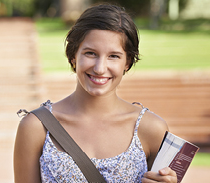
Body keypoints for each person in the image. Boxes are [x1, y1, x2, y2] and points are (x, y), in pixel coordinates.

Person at [14, 4, 177, 183]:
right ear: (73, 56)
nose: (100, 68)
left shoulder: (151, 129)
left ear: (128, 62)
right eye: (90, 53)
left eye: (113, 56)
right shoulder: (36, 128)